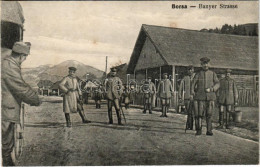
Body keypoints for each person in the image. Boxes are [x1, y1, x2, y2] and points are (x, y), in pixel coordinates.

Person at [2, 42, 41, 166]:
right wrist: (35, 99)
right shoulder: (9, 65)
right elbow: (19, 86)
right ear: (20, 55)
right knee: (5, 142)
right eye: (25, 57)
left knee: (7, 142)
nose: (25, 60)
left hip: (8, 108)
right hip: (6, 109)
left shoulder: (8, 63)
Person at [191, 57, 220, 136]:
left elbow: (218, 83)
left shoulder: (213, 74)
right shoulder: (198, 74)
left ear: (209, 64)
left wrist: (212, 89)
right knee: (199, 114)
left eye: (206, 63)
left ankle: (209, 130)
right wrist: (192, 91)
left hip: (210, 97)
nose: (205, 65)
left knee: (209, 115)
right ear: (201, 65)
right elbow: (193, 84)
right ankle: (199, 130)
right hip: (200, 98)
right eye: (204, 64)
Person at [179, 65, 196, 130]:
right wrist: (180, 97)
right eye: (189, 70)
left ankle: (191, 125)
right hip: (187, 98)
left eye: (191, 69)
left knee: (194, 112)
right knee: (189, 112)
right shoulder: (185, 78)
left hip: (195, 98)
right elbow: (180, 88)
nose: (190, 71)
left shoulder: (196, 77)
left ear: (193, 70)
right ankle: (190, 125)